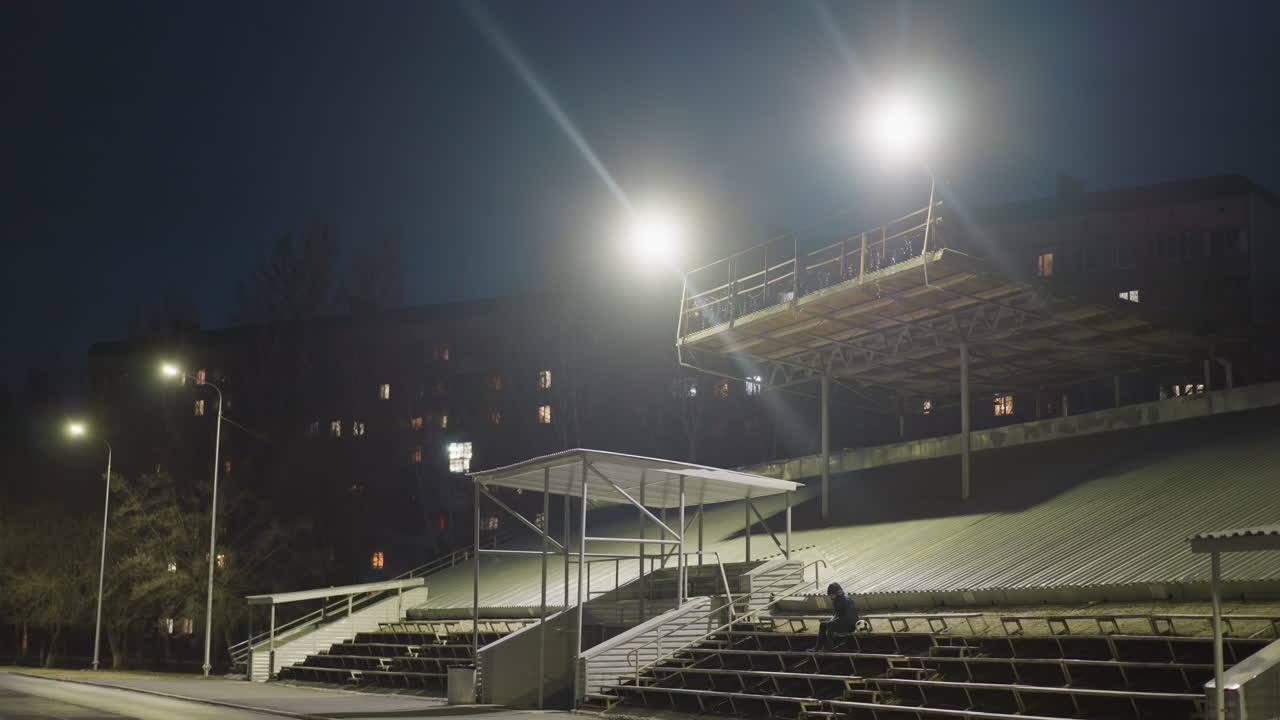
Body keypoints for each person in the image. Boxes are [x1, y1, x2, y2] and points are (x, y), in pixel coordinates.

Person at [813, 582, 861, 651]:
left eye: (832, 594)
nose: (830, 596)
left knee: (831, 625)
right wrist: (833, 620)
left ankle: (828, 647)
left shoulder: (845, 600)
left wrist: (834, 621)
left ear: (837, 593)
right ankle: (817, 647)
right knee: (823, 625)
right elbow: (836, 614)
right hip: (841, 623)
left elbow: (850, 617)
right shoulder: (836, 600)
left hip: (849, 625)